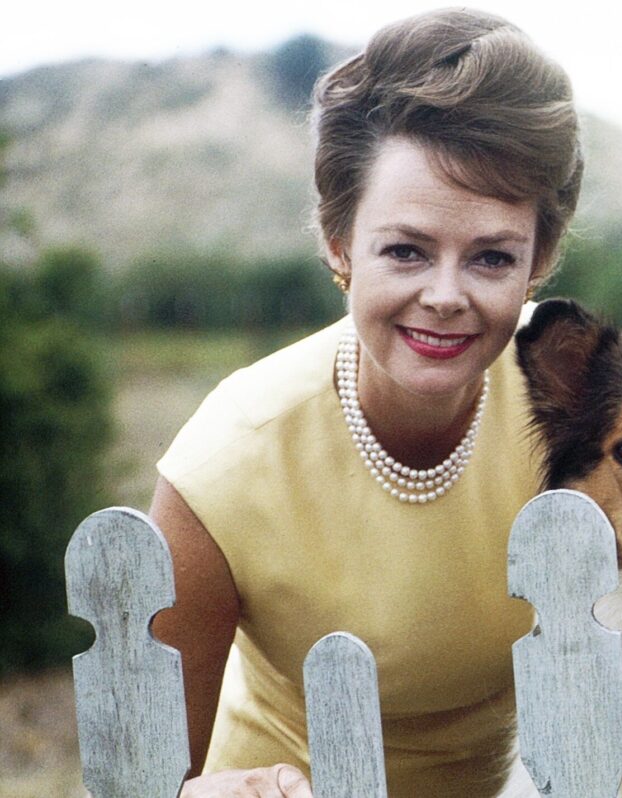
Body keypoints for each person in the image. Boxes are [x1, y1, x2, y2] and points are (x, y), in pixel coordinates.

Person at [150, 9, 582, 796]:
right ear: (340, 243)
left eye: (491, 257)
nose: (444, 296)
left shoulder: (588, 402)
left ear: (539, 260)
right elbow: (137, 779)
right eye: (406, 250)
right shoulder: (228, 463)